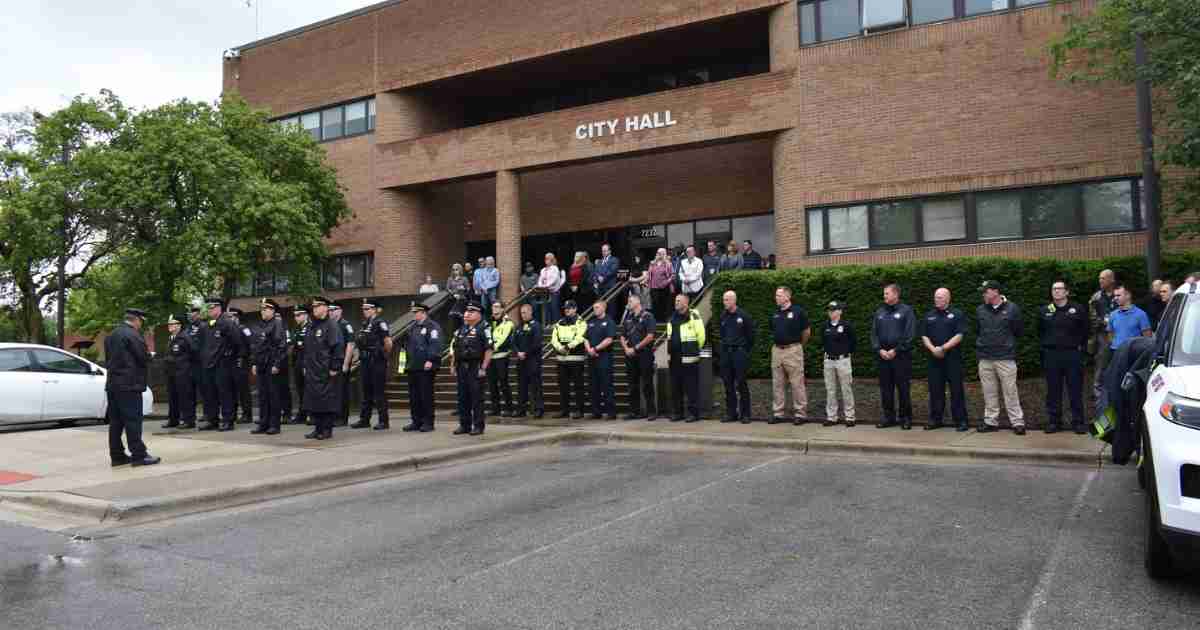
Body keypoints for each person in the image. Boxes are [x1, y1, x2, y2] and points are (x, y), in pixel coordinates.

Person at [107, 308, 158, 466]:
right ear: (137, 320)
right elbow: (142, 357)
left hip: (113, 384)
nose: (140, 325)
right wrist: (150, 356)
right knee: (133, 421)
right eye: (141, 321)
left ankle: (117, 456)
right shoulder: (133, 335)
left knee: (116, 422)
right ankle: (139, 455)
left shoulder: (112, 334)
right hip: (129, 384)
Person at [1038, 281, 1089, 434]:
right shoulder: (1044, 310)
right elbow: (1039, 331)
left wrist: (1080, 348)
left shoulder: (1077, 309)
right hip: (1052, 355)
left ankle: (1078, 422)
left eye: (1060, 289)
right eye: (1054, 289)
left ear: (1067, 292)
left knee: (1075, 389)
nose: (1056, 291)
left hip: (1072, 354)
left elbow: (1085, 330)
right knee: (1053, 390)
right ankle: (1054, 421)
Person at [976, 280, 1025, 435]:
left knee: (1010, 391)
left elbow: (1018, 331)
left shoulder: (1012, 308)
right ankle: (991, 422)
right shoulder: (980, 310)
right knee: (989, 391)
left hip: (1005, 357)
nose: (983, 294)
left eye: (986, 291)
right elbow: (978, 330)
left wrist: (1007, 344)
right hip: (985, 358)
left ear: (995, 292)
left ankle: (1017, 422)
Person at [921, 288, 967, 431]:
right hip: (934, 359)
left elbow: (959, 335)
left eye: (940, 297)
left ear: (948, 298)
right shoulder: (929, 315)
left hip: (952, 359)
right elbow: (924, 335)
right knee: (935, 390)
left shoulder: (957, 314)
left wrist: (943, 348)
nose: (937, 300)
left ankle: (960, 421)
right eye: (935, 297)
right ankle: (936, 419)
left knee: (956, 390)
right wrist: (933, 349)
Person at [871, 284, 916, 430]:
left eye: (887, 293)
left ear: (896, 294)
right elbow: (874, 334)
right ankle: (888, 417)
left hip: (901, 357)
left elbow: (909, 335)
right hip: (883, 357)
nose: (884, 296)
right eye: (884, 294)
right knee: (886, 389)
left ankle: (905, 418)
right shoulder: (880, 312)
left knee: (903, 388)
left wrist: (896, 350)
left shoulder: (906, 311)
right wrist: (879, 350)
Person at [303, 296, 346, 441]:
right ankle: (318, 428)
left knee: (327, 400)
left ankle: (327, 429)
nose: (314, 309)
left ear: (325, 308)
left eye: (318, 306)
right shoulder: (311, 325)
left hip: (325, 369)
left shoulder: (331, 325)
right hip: (313, 369)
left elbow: (338, 347)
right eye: (313, 307)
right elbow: (307, 348)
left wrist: (335, 366)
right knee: (314, 400)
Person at [770, 286, 811, 425]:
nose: (776, 298)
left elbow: (806, 332)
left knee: (797, 383)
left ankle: (800, 414)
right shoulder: (775, 313)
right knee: (777, 383)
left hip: (793, 350)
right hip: (777, 351)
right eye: (776, 295)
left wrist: (798, 346)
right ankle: (778, 413)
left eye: (779, 295)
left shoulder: (798, 312)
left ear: (788, 296)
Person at [351, 299, 393, 430]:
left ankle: (383, 421)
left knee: (379, 392)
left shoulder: (380, 323)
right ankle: (364, 419)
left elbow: (388, 342)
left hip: (376, 360)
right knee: (366, 391)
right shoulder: (365, 323)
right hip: (365, 361)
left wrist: (383, 356)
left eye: (367, 309)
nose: (365, 311)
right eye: (363, 309)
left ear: (374, 309)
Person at [451, 302, 492, 436]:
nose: (467, 314)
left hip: (476, 366)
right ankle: (464, 424)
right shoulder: (462, 329)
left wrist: (484, 367)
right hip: (462, 367)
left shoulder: (484, 327)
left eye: (471, 312)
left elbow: (489, 349)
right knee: (463, 397)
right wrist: (453, 365)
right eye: (467, 311)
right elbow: (455, 348)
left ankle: (478, 425)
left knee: (476, 398)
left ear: (479, 314)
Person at [200, 298, 241, 432]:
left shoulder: (227, 323)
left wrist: (228, 356)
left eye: (212, 308)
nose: (210, 310)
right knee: (210, 394)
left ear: (219, 308)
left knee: (225, 393)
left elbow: (237, 342)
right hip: (209, 364)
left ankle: (228, 421)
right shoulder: (208, 325)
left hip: (223, 364)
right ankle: (213, 420)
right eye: (209, 308)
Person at [403, 303, 443, 432]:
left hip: (425, 366)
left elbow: (435, 344)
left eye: (416, 312)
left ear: (423, 313)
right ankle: (416, 421)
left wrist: (431, 359)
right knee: (414, 396)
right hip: (413, 366)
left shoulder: (432, 327)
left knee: (426, 395)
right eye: (413, 313)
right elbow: (406, 347)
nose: (414, 315)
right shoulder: (412, 327)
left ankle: (428, 422)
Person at [250, 298, 288, 435]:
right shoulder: (259, 325)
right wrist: (254, 363)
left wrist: (277, 363)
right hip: (260, 364)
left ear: (272, 310)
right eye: (262, 309)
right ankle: (263, 423)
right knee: (262, 396)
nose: (263, 311)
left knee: (273, 396)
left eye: (266, 309)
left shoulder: (277, 324)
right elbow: (255, 346)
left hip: (271, 364)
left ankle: (274, 425)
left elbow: (281, 346)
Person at [666, 293, 705, 422]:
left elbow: (701, 336)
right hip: (675, 358)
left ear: (686, 303)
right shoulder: (672, 318)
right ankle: (678, 413)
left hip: (689, 357)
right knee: (676, 386)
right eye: (675, 300)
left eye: (678, 300)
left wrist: (693, 350)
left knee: (691, 387)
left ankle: (693, 413)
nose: (676, 302)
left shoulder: (694, 316)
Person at [719, 290, 755, 424]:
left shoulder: (743, 316)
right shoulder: (723, 316)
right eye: (724, 300)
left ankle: (745, 414)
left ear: (734, 300)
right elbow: (722, 334)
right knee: (727, 384)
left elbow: (751, 336)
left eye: (727, 300)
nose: (725, 302)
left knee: (741, 383)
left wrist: (744, 350)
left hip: (739, 353)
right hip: (726, 353)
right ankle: (731, 413)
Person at [621, 294, 658, 420]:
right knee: (632, 385)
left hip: (644, 354)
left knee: (647, 384)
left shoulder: (648, 316)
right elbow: (622, 335)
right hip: (630, 356)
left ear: (638, 301)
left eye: (630, 301)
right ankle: (634, 411)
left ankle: (651, 411)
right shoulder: (628, 318)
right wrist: (626, 349)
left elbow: (650, 336)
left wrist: (635, 348)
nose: (628, 303)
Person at [821, 300, 856, 428]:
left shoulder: (847, 325)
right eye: (829, 310)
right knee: (830, 390)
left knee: (846, 388)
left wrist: (845, 353)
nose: (830, 312)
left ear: (840, 311)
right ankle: (831, 417)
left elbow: (853, 342)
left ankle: (850, 417)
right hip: (829, 360)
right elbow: (823, 341)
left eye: (833, 309)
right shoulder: (825, 326)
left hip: (843, 360)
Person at [552, 299, 588, 419]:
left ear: (575, 309)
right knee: (563, 387)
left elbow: (580, 337)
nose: (567, 310)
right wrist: (559, 348)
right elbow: (554, 339)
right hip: (561, 359)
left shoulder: (581, 322)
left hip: (576, 359)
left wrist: (567, 347)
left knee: (578, 386)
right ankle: (564, 410)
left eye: (569, 308)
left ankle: (579, 410)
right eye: (565, 308)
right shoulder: (559, 322)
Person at [161, 313, 196, 430]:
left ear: (179, 325)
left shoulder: (185, 337)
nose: (169, 325)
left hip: (183, 372)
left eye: (172, 323)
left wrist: (180, 361)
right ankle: (173, 419)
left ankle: (188, 420)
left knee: (185, 396)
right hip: (171, 372)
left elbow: (193, 352)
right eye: (169, 323)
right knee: (172, 397)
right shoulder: (171, 338)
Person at [585, 299, 618, 419]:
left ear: (604, 308)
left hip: (604, 357)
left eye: (597, 307)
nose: (595, 310)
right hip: (592, 358)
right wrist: (589, 349)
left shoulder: (609, 322)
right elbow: (586, 338)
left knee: (606, 385)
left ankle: (610, 412)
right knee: (593, 386)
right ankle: (596, 411)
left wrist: (595, 349)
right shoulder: (591, 322)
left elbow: (609, 339)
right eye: (594, 308)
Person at [1088, 269, 1118, 400]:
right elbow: (1091, 315)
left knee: (1118, 360)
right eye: (1100, 278)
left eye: (1103, 278)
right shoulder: (1096, 297)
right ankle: (1097, 392)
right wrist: (1102, 322)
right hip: (1103, 335)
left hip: (1119, 334)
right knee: (1101, 361)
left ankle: (1116, 389)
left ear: (1111, 280)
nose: (1100, 281)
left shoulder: (1119, 294)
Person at [513, 303, 545, 419]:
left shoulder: (536, 326)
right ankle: (521, 409)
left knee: (535, 386)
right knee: (521, 386)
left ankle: (538, 409)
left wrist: (525, 353)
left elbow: (536, 343)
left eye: (525, 312)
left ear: (531, 312)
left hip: (533, 360)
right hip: (521, 361)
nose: (523, 315)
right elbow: (513, 342)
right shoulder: (519, 326)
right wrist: (517, 352)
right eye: (521, 313)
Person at [486, 301, 515, 417]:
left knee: (503, 382)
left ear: (503, 309)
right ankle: (495, 408)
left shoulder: (508, 323)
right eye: (493, 307)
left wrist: (492, 348)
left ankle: (509, 408)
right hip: (490, 357)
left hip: (501, 357)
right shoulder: (488, 322)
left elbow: (504, 339)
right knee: (492, 384)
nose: (495, 309)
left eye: (497, 307)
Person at [330, 304, 356, 426]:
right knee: (333, 391)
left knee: (341, 391)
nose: (331, 312)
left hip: (342, 362)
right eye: (329, 310)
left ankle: (342, 418)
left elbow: (350, 345)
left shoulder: (345, 325)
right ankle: (334, 416)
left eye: (333, 310)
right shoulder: (331, 325)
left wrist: (346, 363)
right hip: (332, 362)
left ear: (340, 310)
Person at [228, 308, 255, 425]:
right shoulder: (228, 330)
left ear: (237, 317)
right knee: (231, 389)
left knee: (243, 389)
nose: (230, 319)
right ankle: (232, 414)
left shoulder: (244, 329)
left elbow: (251, 343)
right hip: (230, 361)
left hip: (241, 361)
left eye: (232, 317)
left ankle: (247, 414)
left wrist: (249, 359)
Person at [1107, 284, 1153, 352]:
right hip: (1115, 352)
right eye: (1115, 296)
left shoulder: (1141, 314)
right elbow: (1110, 335)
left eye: (1118, 295)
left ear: (1128, 295)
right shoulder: (1112, 315)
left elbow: (1147, 338)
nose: (1115, 298)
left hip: (1134, 353)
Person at [185, 307, 207, 424]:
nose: (190, 315)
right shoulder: (188, 327)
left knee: (204, 390)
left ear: (198, 314)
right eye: (190, 312)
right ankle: (190, 416)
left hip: (200, 363)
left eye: (193, 312)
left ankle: (207, 413)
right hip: (189, 363)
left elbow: (204, 344)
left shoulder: (203, 326)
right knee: (190, 391)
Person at [290, 306, 310, 425]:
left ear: (306, 315)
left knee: (309, 389)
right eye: (295, 315)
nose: (296, 317)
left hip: (306, 362)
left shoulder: (310, 327)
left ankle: (311, 414)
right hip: (298, 361)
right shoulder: (297, 329)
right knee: (300, 389)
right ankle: (302, 414)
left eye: (299, 315)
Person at [538, 252, 565, 325]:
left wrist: (546, 285)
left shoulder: (555, 268)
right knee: (547, 309)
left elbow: (554, 279)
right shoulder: (543, 270)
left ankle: (556, 324)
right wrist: (541, 286)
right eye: (545, 259)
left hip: (554, 292)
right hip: (545, 292)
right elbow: (540, 279)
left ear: (552, 260)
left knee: (554, 308)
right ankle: (548, 324)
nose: (546, 260)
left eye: (548, 259)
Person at [648, 248, 675, 320]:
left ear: (664, 254)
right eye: (658, 253)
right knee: (655, 305)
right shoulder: (652, 263)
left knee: (664, 305)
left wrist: (666, 282)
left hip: (664, 288)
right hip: (654, 288)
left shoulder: (668, 264)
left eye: (661, 253)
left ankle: (664, 322)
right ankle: (657, 321)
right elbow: (649, 274)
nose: (659, 254)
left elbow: (673, 275)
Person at [447, 263, 470, 329]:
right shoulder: (450, 279)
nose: (455, 271)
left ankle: (463, 329)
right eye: (453, 270)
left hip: (462, 298)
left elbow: (468, 288)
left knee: (461, 316)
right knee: (454, 318)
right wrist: (454, 294)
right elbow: (448, 288)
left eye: (456, 269)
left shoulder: (464, 278)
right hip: (453, 299)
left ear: (460, 270)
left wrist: (464, 288)